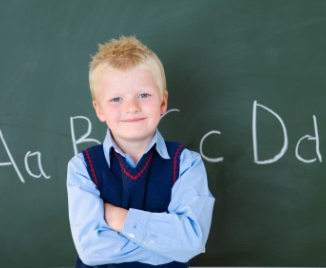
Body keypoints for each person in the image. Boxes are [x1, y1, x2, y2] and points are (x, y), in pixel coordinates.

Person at [67, 36, 215, 268]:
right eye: (116, 99)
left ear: (163, 102)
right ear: (100, 110)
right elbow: (91, 250)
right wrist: (170, 247)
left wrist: (119, 218)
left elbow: (192, 240)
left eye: (144, 95)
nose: (131, 107)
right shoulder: (82, 167)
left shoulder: (186, 164)